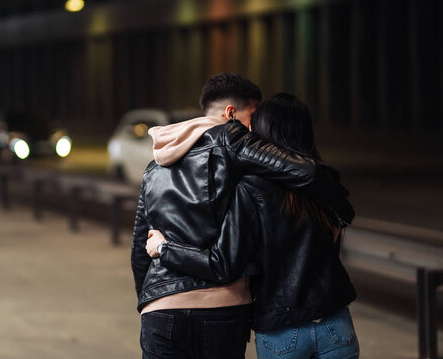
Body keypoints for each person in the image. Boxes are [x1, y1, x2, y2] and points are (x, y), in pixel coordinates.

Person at [131, 74, 353, 359]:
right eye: (253, 117)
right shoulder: (233, 141)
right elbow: (305, 172)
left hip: (160, 309)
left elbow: (140, 248)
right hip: (224, 306)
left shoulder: (154, 167)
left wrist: (150, 298)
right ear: (231, 114)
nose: (255, 130)